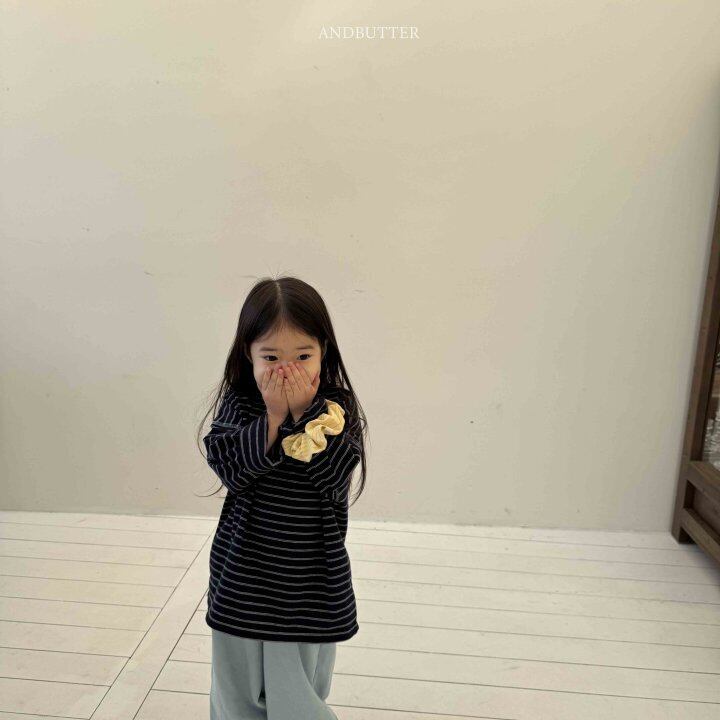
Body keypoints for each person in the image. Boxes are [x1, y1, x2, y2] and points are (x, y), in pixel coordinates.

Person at [197, 276, 369, 719]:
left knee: (298, 698)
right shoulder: (240, 403)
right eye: (271, 358)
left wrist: (302, 414)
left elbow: (335, 476)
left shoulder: (335, 409)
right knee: (235, 696)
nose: (286, 371)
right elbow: (231, 470)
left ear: (323, 352)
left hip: (308, 584)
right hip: (242, 579)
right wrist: (274, 418)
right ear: (248, 354)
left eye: (302, 357)